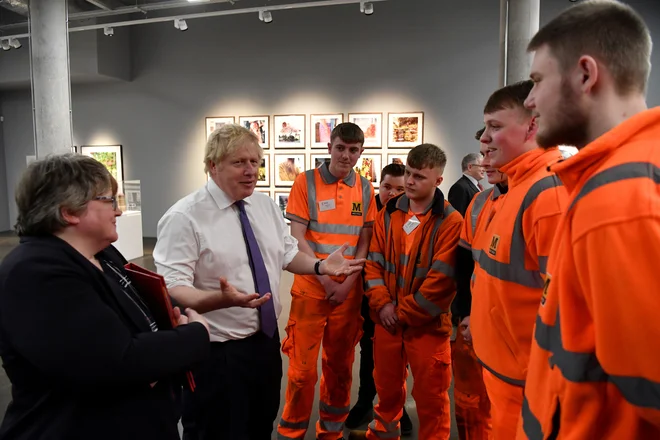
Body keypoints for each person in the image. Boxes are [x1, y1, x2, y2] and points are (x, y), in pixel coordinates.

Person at [153, 124, 364, 440]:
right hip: (216, 350)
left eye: (255, 162)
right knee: (216, 430)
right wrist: (220, 299)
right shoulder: (185, 217)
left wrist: (320, 265)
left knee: (259, 423)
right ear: (213, 165)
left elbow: (287, 254)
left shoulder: (263, 206)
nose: (250, 170)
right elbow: (172, 288)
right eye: (239, 162)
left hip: (263, 342)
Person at [520, 1, 660, 438]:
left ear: (585, 74)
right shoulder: (629, 170)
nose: (529, 100)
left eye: (538, 80)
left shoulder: (618, 198)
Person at [0, 154, 211, 440]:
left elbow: (139, 314)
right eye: (109, 200)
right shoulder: (35, 272)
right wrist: (196, 334)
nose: (119, 211)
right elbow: (116, 362)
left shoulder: (102, 254)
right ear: (70, 212)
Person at [469, 80, 568, 439]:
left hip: (528, 385)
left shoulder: (547, 194)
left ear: (533, 125)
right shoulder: (513, 190)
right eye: (485, 127)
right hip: (505, 373)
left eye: (495, 127)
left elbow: (567, 309)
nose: (483, 139)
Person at [350, 143, 462, 440]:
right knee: (386, 397)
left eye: (419, 177)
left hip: (427, 328)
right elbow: (372, 263)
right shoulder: (388, 212)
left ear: (438, 180)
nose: (410, 181)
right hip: (387, 324)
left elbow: (441, 281)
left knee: (432, 403)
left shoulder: (451, 221)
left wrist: (398, 313)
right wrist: (383, 306)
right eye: (409, 174)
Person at [278, 122, 376, 440]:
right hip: (312, 285)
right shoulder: (305, 182)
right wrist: (325, 274)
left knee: (340, 367)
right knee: (302, 371)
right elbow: (297, 237)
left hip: (347, 289)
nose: (346, 156)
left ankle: (331, 433)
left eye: (353, 150)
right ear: (329, 147)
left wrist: (346, 281)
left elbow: (365, 239)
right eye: (340, 148)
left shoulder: (364, 188)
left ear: (360, 152)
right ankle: (291, 432)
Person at [346, 163, 414, 435]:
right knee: (367, 353)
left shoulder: (411, 212)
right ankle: (364, 401)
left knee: (398, 356)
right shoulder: (367, 211)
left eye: (399, 188)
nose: (393, 193)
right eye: (387, 186)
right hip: (367, 296)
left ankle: (396, 409)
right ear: (379, 185)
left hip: (398, 299)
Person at [452, 127, 509, 440]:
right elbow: (463, 264)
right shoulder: (478, 203)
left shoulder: (542, 199)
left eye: (492, 154)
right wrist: (465, 314)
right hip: (474, 325)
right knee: (469, 404)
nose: (485, 163)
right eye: (483, 155)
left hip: (517, 337)